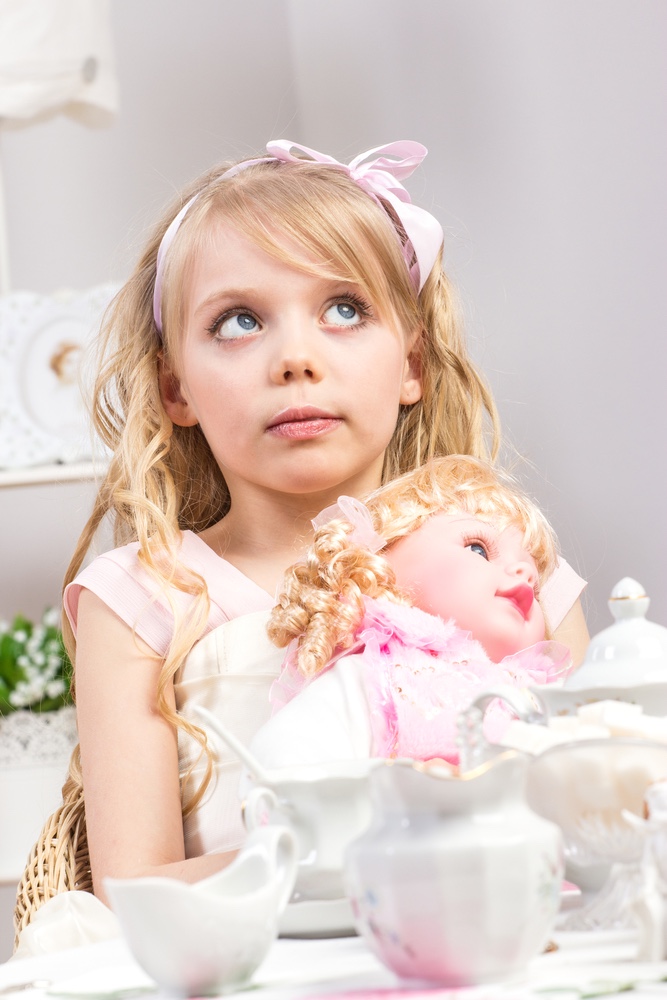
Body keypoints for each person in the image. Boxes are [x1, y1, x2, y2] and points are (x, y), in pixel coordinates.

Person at [31, 140, 587, 914]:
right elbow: (133, 890)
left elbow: (594, 807)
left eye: (344, 310)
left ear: (411, 365)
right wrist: (353, 856)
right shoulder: (143, 600)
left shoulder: (508, 562)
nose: (295, 358)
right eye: (238, 322)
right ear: (173, 387)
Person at [250, 455, 573, 770]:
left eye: (536, 583)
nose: (525, 574)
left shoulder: (543, 700)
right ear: (378, 564)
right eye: (479, 549)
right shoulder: (378, 676)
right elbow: (286, 759)